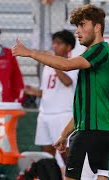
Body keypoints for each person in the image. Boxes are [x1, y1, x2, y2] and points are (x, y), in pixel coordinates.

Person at [12, 4, 109, 180]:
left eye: (82, 25)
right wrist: (64, 134)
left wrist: (30, 53)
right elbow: (84, 108)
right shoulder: (93, 58)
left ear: (97, 27)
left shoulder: (100, 50)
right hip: (101, 131)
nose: (78, 31)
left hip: (91, 132)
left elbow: (66, 65)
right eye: (77, 26)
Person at [24, 29, 78, 172]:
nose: (55, 46)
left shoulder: (72, 64)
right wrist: (32, 91)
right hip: (45, 113)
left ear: (68, 47)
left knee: (65, 152)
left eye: (59, 43)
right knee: (48, 154)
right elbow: (46, 91)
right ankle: (52, 175)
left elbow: (67, 82)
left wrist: (54, 63)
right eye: (54, 43)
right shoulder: (47, 66)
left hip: (62, 114)